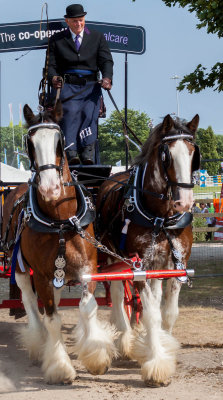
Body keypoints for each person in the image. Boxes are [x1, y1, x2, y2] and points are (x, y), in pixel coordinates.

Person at [47, 4, 113, 164]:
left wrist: (107, 78)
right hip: (67, 85)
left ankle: (87, 152)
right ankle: (71, 151)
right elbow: (51, 66)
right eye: (75, 21)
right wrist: (53, 77)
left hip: (91, 86)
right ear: (67, 21)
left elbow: (106, 61)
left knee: (89, 112)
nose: (78, 24)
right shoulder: (57, 39)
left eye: (81, 20)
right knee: (70, 111)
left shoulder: (97, 37)